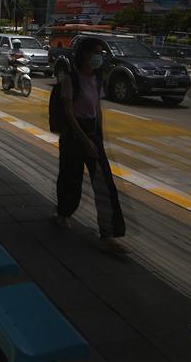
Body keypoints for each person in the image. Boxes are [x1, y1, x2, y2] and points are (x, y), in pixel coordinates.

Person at [55, 38, 126, 253]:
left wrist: (98, 137)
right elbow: (68, 112)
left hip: (92, 135)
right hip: (74, 135)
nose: (100, 57)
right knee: (71, 177)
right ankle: (63, 213)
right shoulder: (71, 80)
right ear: (85, 54)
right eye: (97, 52)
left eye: (101, 52)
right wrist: (85, 139)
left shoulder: (96, 79)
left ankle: (107, 234)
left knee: (104, 184)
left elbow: (98, 108)